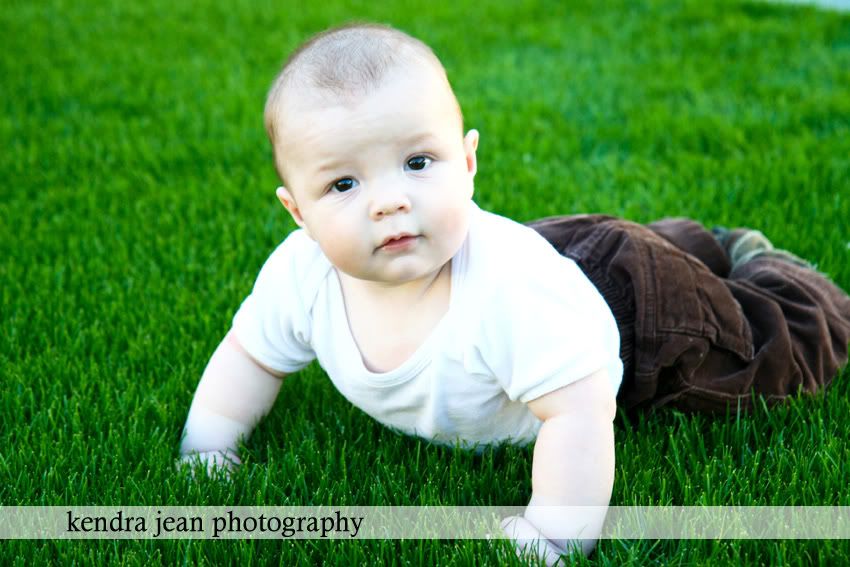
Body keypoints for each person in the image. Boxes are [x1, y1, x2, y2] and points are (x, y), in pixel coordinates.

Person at [178, 22, 850, 564]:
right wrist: (209, 445)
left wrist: (553, 532)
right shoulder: (301, 276)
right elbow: (250, 355)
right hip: (563, 257)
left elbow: (580, 411)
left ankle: (758, 261)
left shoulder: (509, 294)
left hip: (637, 312)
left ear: (466, 164)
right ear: (298, 212)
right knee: (629, 247)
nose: (389, 201)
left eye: (418, 163)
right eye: (344, 184)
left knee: (776, 344)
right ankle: (694, 241)